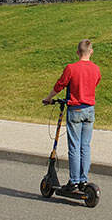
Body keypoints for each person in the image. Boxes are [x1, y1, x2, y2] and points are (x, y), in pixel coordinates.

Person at [43, 39, 101, 192]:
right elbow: (95, 83)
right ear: (91, 52)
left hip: (75, 109)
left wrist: (48, 98)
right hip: (89, 109)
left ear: (77, 52)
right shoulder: (96, 69)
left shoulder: (71, 68)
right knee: (85, 146)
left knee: (74, 146)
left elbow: (59, 85)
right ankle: (83, 180)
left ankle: (74, 181)